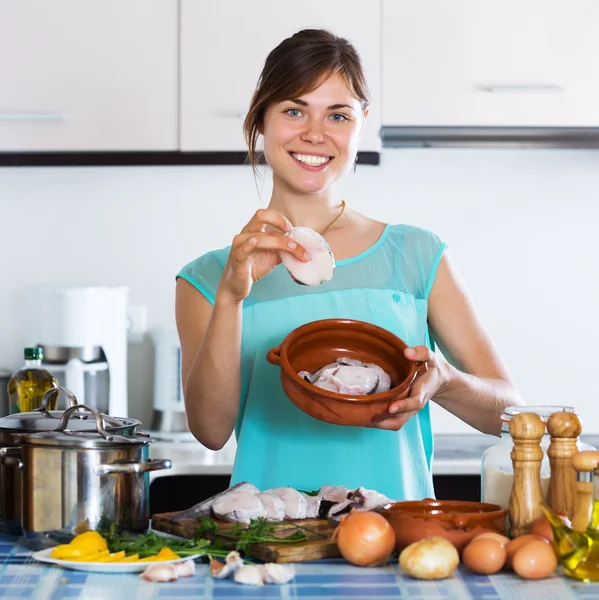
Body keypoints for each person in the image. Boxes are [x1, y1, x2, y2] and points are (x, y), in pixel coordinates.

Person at [175, 29, 523, 500]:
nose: (315, 134)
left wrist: (444, 380)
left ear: (362, 123)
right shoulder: (209, 279)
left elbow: (509, 411)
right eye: (294, 110)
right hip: (270, 541)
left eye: (337, 114)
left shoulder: (418, 254)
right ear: (261, 118)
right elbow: (210, 432)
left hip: (397, 547)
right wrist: (233, 296)